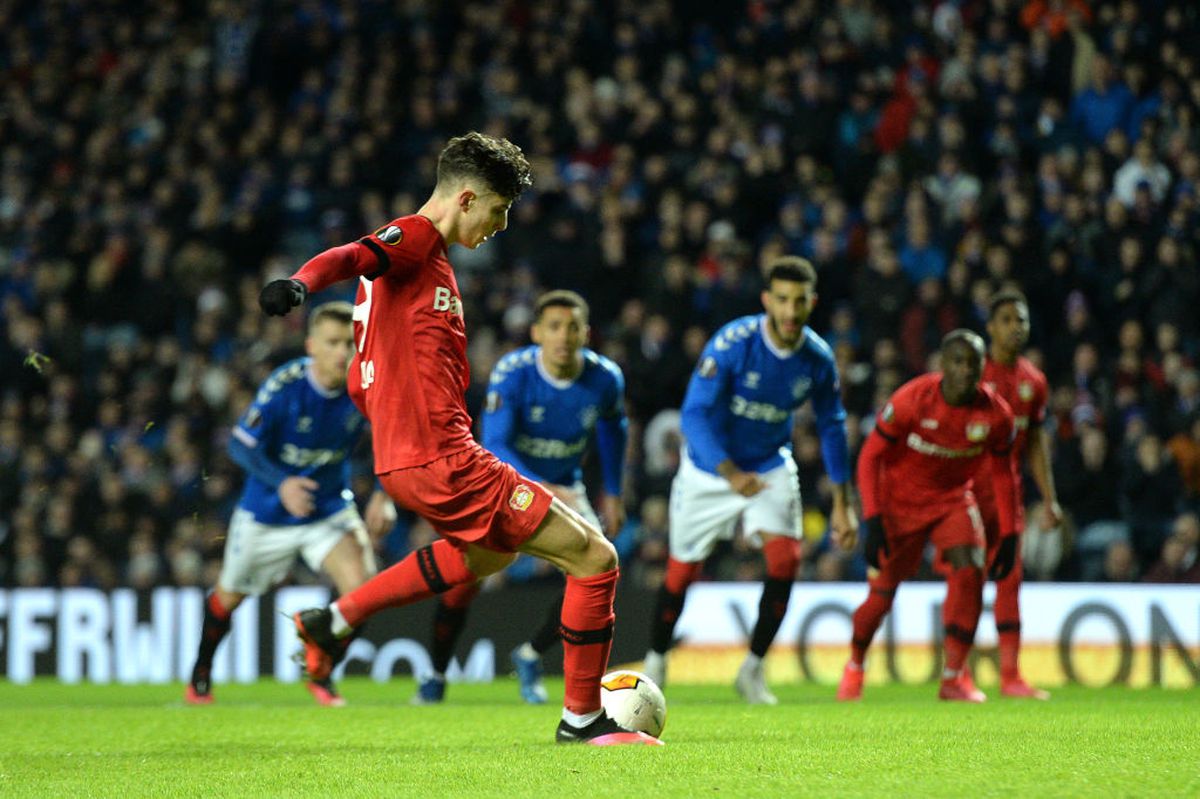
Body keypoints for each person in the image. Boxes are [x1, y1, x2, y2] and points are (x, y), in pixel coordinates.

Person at [259, 132, 657, 745]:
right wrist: (302, 284)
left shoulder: (410, 277)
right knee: (596, 558)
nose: (501, 224)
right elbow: (351, 254)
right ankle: (581, 720)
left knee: (489, 556)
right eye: (499, 209)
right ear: (467, 198)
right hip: (444, 458)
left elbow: (364, 383)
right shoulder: (416, 239)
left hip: (409, 461)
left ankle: (335, 619)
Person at [641, 257, 857, 705]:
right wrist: (729, 473)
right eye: (782, 300)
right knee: (682, 571)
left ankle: (753, 669)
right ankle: (657, 659)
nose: (791, 311)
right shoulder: (733, 344)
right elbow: (694, 415)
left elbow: (832, 425)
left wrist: (842, 502)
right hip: (709, 468)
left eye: (799, 301)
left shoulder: (817, 358)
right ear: (767, 301)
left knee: (785, 561)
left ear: (812, 302)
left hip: (768, 464)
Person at [412, 289, 627, 706]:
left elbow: (613, 430)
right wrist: (539, 486)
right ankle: (435, 675)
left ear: (586, 333)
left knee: (597, 569)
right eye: (554, 327)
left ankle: (530, 655)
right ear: (536, 333)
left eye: (572, 327)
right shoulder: (513, 373)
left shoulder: (605, 378)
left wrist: (614, 493)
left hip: (566, 487)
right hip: (502, 486)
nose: (563, 336)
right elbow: (496, 444)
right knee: (466, 577)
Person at [185, 302, 385, 706]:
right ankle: (201, 674)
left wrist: (384, 492)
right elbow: (241, 444)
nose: (343, 352)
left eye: (350, 343)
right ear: (311, 346)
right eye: (333, 342)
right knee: (229, 597)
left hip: (328, 508)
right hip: (267, 514)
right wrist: (283, 484)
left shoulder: (366, 385)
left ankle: (322, 671)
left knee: (365, 593)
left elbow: (393, 435)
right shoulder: (285, 386)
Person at [838, 329, 1020, 703]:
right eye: (958, 362)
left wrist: (1010, 531)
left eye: (974, 364)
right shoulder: (912, 399)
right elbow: (870, 456)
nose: (966, 370)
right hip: (899, 505)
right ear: (943, 365)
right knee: (881, 597)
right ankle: (855, 664)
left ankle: (954, 677)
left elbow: (1004, 473)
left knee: (971, 570)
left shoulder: (997, 414)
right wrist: (872, 518)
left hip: (953, 500)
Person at [978, 290, 1061, 698]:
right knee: (966, 579)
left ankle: (1010, 676)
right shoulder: (972, 373)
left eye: (1021, 320)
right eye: (1007, 320)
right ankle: (954, 672)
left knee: (1010, 580)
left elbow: (1035, 445)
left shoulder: (1034, 381)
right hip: (968, 493)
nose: (1015, 327)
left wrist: (1049, 498)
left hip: (1008, 494)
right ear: (991, 327)